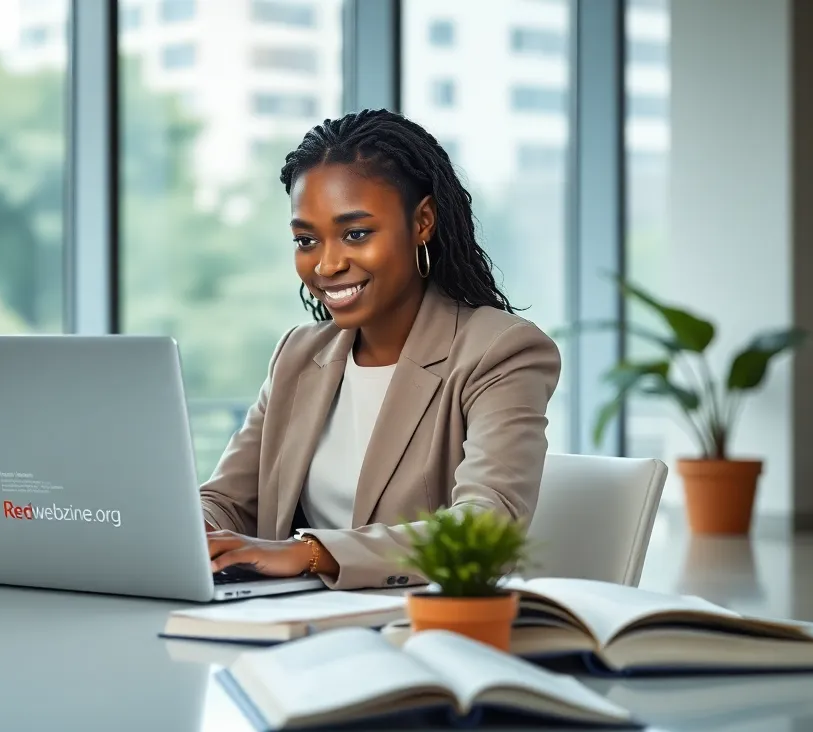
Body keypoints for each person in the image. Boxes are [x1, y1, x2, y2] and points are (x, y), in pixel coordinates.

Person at [201, 109, 561, 590]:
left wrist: (310, 553)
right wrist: (188, 531)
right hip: (289, 631)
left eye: (356, 234)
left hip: (421, 631)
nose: (326, 265)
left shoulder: (500, 351)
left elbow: (483, 529)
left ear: (423, 222)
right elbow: (227, 501)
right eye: (307, 240)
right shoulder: (297, 354)